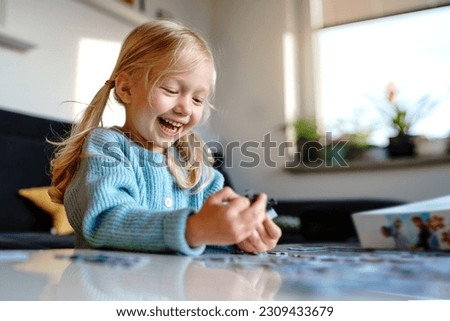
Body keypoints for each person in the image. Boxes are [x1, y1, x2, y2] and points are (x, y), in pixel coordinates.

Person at [49, 20, 281, 256]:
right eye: (171, 90)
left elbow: (212, 237)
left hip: (178, 290)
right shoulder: (107, 147)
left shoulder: (195, 167)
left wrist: (242, 235)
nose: (186, 109)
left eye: (197, 100)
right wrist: (194, 228)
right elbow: (106, 221)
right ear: (126, 89)